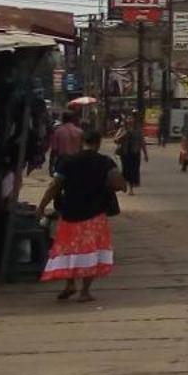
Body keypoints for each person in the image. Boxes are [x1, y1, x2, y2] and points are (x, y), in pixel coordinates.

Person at [38, 127, 126, 302]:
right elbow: (118, 183)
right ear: (98, 143)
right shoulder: (104, 162)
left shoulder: (67, 161)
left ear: (81, 143)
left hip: (70, 212)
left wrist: (41, 206)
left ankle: (70, 284)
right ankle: (85, 292)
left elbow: (54, 185)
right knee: (91, 252)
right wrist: (108, 185)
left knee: (69, 249)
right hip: (95, 214)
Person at [114, 114, 147, 191]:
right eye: (128, 118)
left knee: (134, 169)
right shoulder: (122, 129)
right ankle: (125, 185)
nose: (130, 120)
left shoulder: (138, 130)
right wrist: (123, 135)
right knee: (126, 169)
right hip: (125, 153)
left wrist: (145, 154)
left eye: (131, 118)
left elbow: (142, 142)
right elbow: (115, 140)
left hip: (135, 152)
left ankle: (131, 188)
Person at [48, 107, 84, 178]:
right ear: (72, 119)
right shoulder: (80, 131)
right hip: (76, 161)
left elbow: (54, 150)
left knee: (59, 184)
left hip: (62, 161)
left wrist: (51, 165)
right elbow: (81, 149)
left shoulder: (58, 131)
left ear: (63, 119)